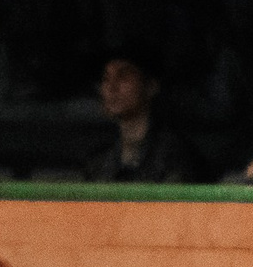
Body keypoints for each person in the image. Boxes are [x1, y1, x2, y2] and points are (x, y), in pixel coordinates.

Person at [82, 51, 202, 183]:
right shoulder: (99, 160)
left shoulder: (174, 155)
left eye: (123, 77)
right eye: (106, 78)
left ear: (151, 86)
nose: (111, 87)